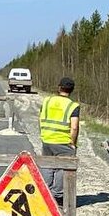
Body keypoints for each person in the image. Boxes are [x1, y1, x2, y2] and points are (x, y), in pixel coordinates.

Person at [38, 76, 79, 206]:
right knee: (62, 168)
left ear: (59, 87)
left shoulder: (47, 101)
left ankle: (45, 193)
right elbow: (74, 127)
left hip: (47, 138)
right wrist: (73, 142)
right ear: (71, 90)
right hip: (62, 141)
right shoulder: (73, 106)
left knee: (47, 166)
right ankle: (57, 196)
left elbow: (40, 118)